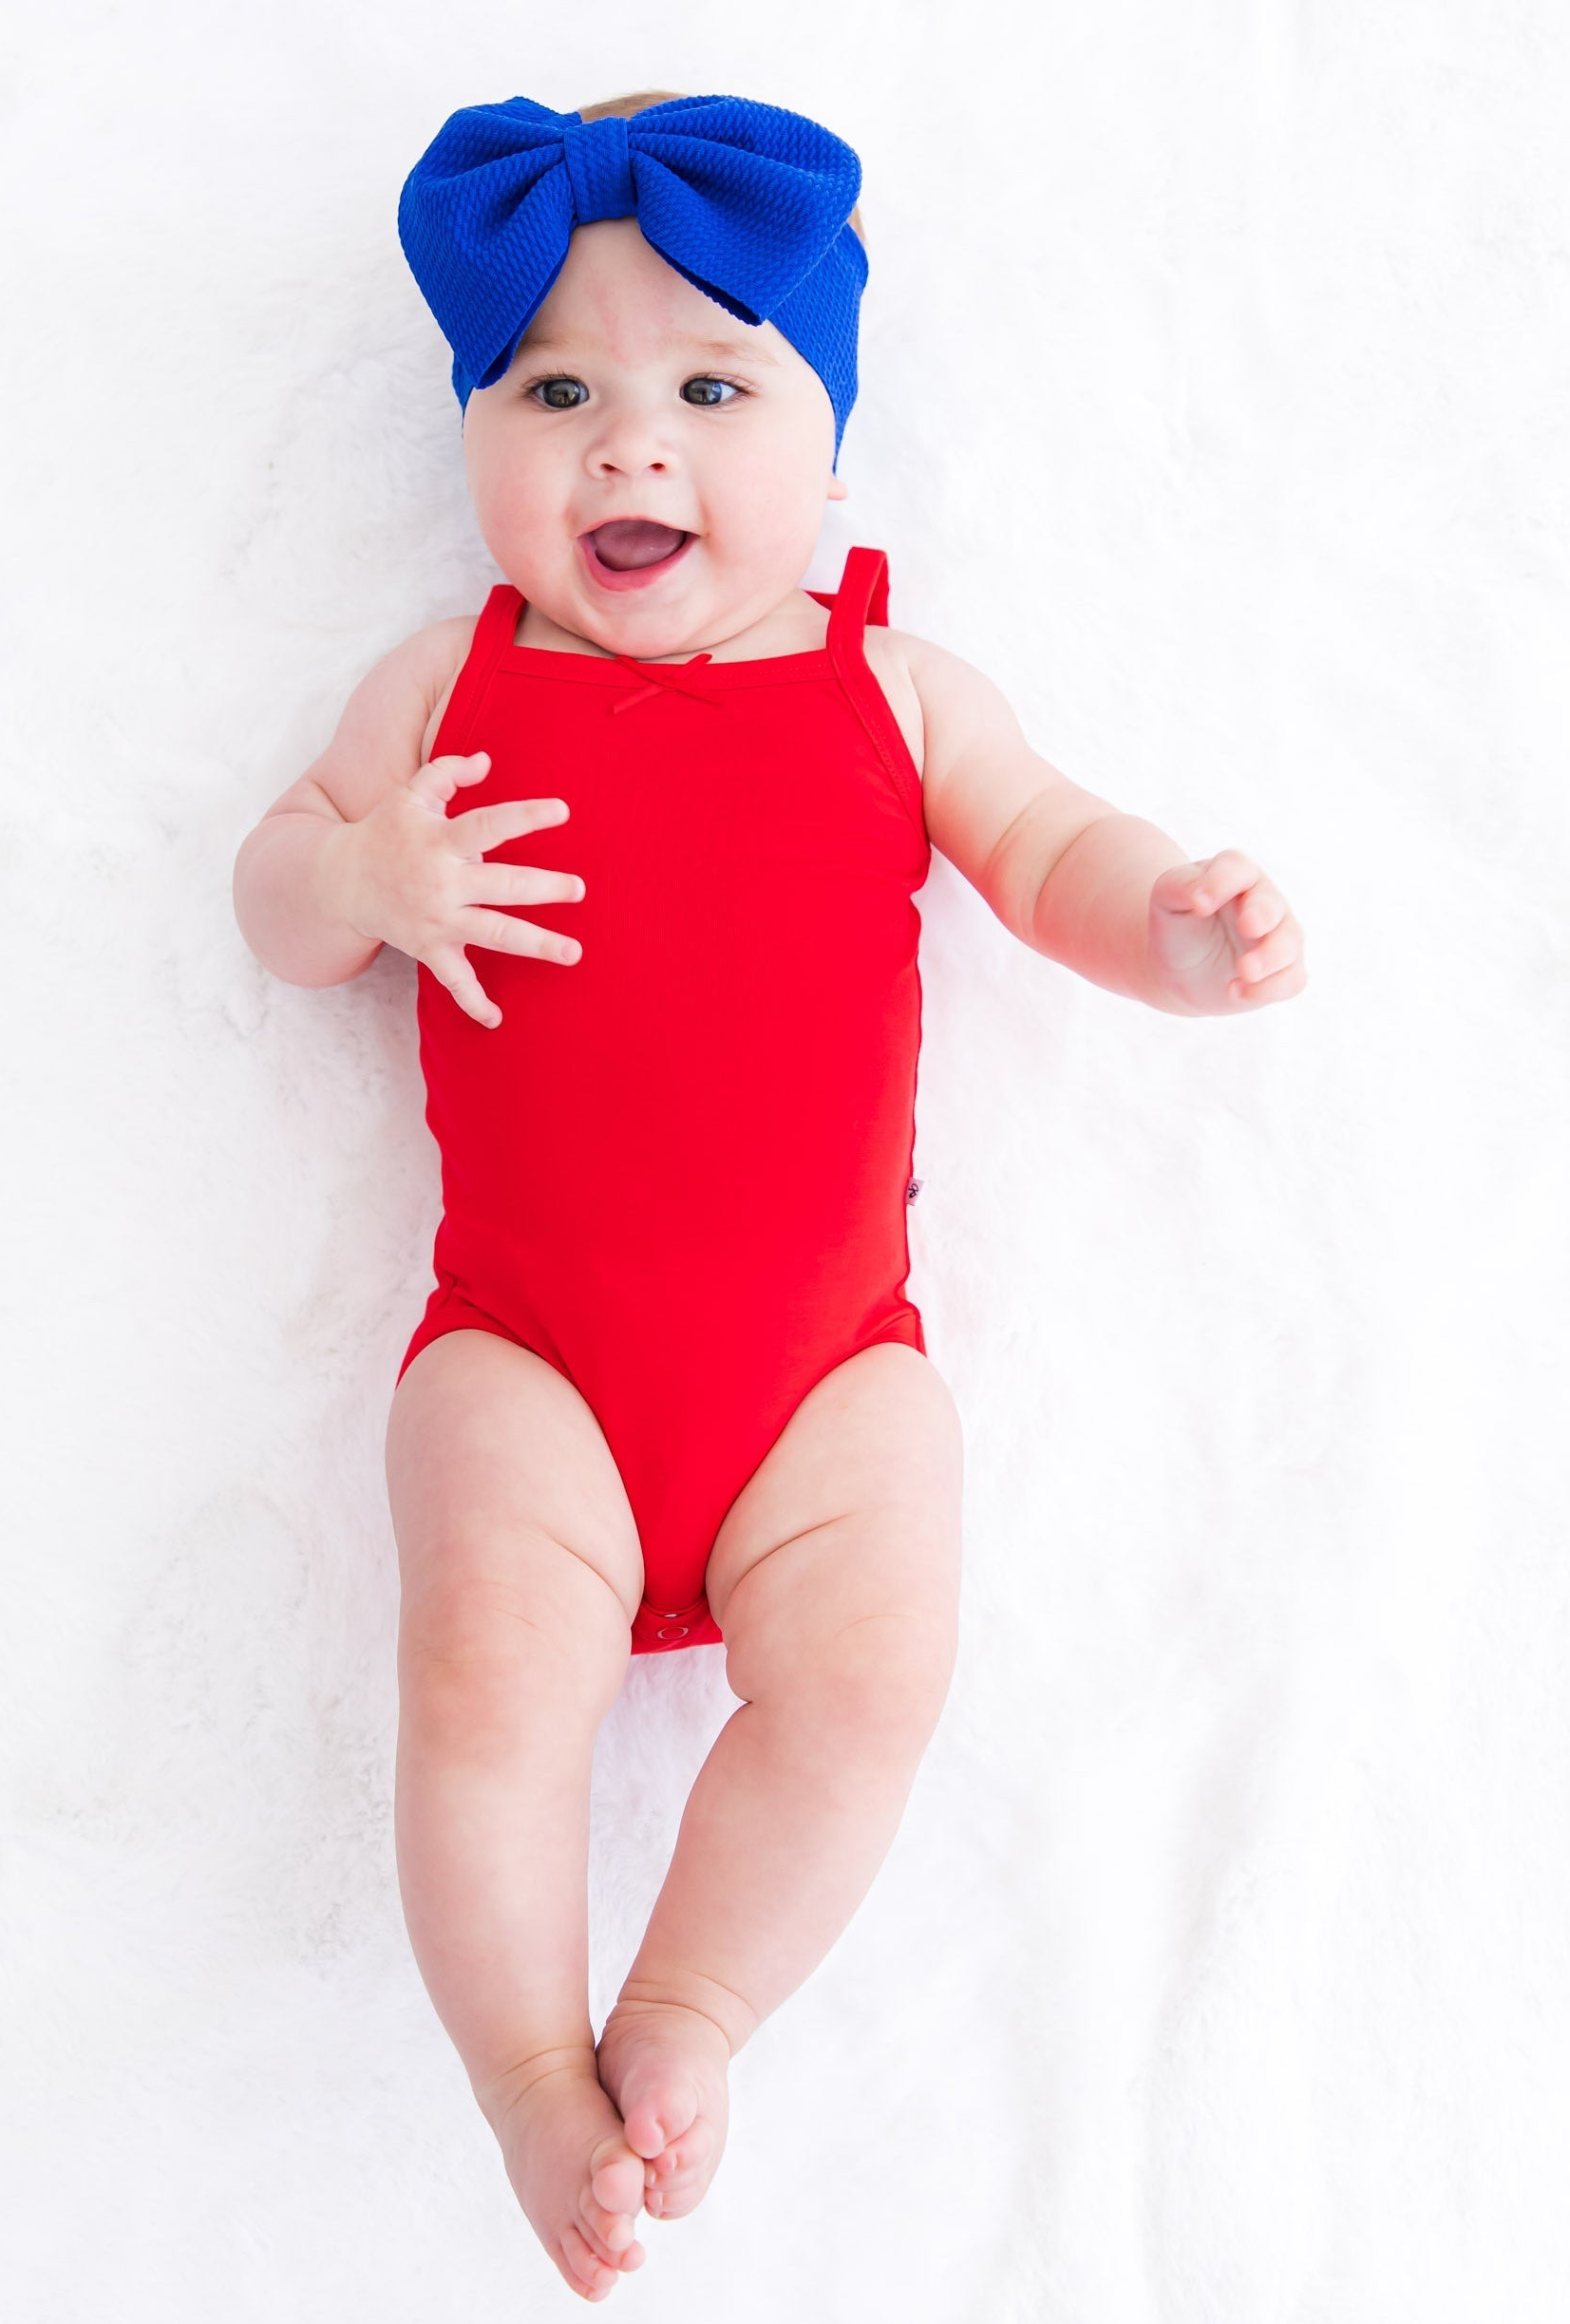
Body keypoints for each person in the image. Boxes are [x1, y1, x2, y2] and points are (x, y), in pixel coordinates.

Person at [232, 88, 1307, 2304]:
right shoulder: (447, 682)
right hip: (525, 1352)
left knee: (875, 1672)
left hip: (828, 1383)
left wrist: (1174, 927)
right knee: (481, 1680)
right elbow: (273, 888)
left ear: (829, 449)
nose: (629, 447)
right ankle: (532, 2071)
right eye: (556, 392)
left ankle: (689, 2011)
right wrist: (358, 871)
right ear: (478, 436)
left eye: (711, 389)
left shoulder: (891, 692)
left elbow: (1050, 848)